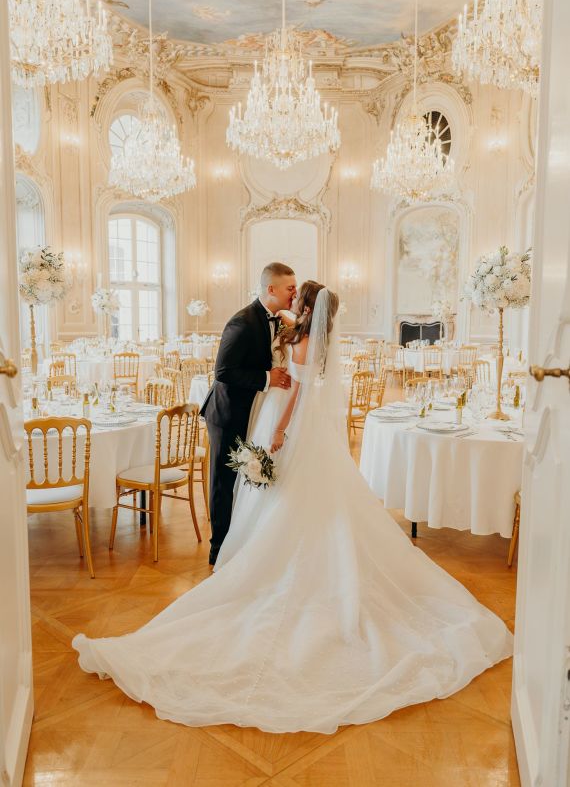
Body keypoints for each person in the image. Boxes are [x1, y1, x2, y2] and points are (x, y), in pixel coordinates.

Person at [73, 284, 512, 734]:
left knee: (284, 498)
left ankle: (275, 560)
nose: (290, 304)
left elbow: (299, 393)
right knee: (305, 499)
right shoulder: (310, 335)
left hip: (289, 419)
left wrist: (279, 431)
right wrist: (287, 324)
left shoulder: (302, 339)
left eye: (296, 299)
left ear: (305, 307)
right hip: (305, 425)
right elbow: (290, 340)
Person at [199, 261, 297, 565]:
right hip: (228, 413)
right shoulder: (241, 322)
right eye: (289, 288)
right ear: (271, 289)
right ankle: (218, 550)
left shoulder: (281, 320)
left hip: (256, 411)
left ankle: (241, 539)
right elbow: (223, 371)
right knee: (223, 482)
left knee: (248, 477)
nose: (294, 294)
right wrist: (268, 378)